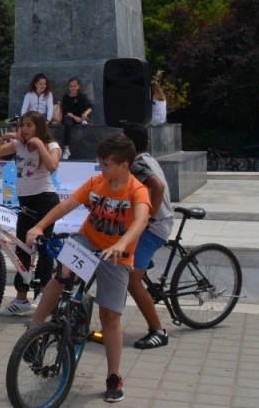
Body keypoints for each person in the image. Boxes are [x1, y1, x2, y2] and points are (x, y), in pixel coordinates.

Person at [24, 134, 151, 403]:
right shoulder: (96, 183)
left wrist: (122, 243)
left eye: (106, 164)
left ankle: (114, 376)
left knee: (110, 318)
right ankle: (33, 333)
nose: (101, 168)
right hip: (89, 239)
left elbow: (140, 221)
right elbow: (66, 205)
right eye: (100, 162)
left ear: (124, 165)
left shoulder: (137, 191)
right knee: (62, 273)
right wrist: (38, 226)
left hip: (118, 253)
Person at [0, 111, 62, 316]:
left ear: (38, 126)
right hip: (25, 202)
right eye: (22, 125)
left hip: (45, 200)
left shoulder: (51, 146)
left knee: (43, 246)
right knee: (22, 247)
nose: (24, 129)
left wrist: (38, 144)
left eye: (29, 125)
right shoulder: (18, 145)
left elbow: (53, 166)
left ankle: (44, 294)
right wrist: (3, 137)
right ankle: (21, 298)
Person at [118, 122, 174, 349]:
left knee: (132, 280)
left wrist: (148, 218)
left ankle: (158, 331)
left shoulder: (139, 164)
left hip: (155, 228)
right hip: (149, 224)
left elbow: (158, 187)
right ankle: (111, 324)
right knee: (118, 269)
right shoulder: (146, 158)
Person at [59, 77, 93, 160]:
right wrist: (74, 117)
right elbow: (65, 111)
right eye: (71, 86)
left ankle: (84, 120)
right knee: (67, 124)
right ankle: (66, 149)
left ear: (78, 86)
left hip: (82, 117)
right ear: (68, 87)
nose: (73, 88)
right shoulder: (65, 97)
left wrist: (85, 113)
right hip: (70, 117)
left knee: (85, 121)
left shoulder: (82, 96)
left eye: (75, 86)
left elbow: (90, 106)